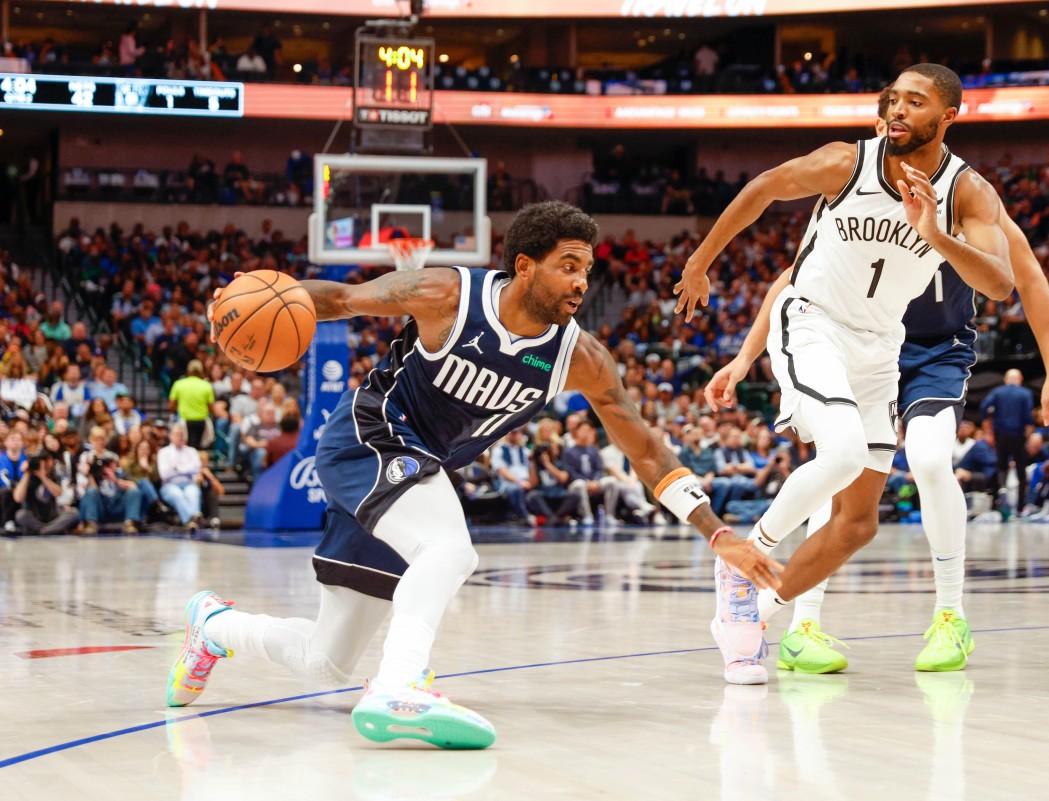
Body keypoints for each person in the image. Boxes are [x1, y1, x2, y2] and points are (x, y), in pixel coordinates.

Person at [168, 201, 781, 749]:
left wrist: (716, 532)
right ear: (524, 266)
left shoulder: (582, 359)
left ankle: (213, 625)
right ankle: (400, 685)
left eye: (587, 270)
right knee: (451, 550)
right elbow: (340, 300)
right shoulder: (447, 297)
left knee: (326, 661)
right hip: (371, 437)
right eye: (568, 265)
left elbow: (646, 450)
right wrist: (233, 308)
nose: (580, 282)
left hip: (417, 476)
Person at [674, 64, 1015, 684]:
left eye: (916, 101)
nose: (898, 109)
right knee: (842, 453)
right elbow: (763, 188)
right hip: (812, 323)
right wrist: (700, 262)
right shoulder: (844, 163)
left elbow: (998, 284)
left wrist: (934, 233)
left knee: (858, 523)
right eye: (894, 99)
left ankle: (757, 609)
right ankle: (741, 560)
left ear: (948, 117)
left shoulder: (968, 194)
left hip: (881, 348)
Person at [980, 369, 1035, 506]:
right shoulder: (1025, 393)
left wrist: (987, 420)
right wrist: (1028, 435)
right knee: (1020, 468)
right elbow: (1028, 417)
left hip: (1000, 434)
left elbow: (984, 406)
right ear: (1020, 379)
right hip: (1018, 435)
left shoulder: (998, 392)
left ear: (1006, 379)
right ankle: (1021, 505)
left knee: (1001, 465)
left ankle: (1002, 493)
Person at [157, 423, 204, 531]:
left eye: (181, 434)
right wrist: (185, 469)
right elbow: (164, 474)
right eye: (177, 434)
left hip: (188, 483)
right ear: (170, 436)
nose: (180, 437)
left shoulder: (191, 451)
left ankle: (191, 521)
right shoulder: (163, 452)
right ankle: (193, 518)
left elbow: (196, 468)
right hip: (169, 485)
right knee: (178, 495)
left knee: (193, 493)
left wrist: (176, 468)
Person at [169, 360, 215, 449]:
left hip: (185, 421)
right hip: (201, 422)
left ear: (188, 371)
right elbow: (211, 408)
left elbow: (171, 406)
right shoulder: (207, 385)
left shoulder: (179, 384)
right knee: (199, 448)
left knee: (185, 447)